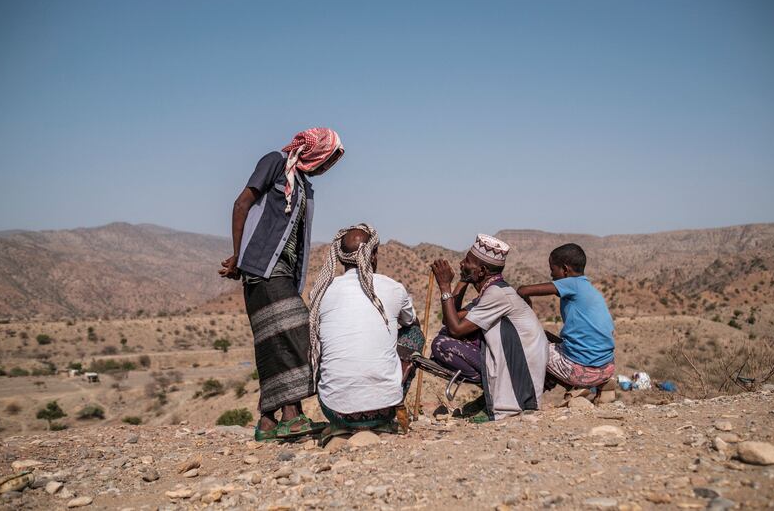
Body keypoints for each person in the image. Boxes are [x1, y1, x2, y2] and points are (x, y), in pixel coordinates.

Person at [219, 128, 344, 441]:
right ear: (313, 151)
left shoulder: (302, 184)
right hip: (262, 267)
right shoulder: (275, 162)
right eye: (326, 160)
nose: (326, 167)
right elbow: (241, 203)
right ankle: (291, 414)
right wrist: (238, 255)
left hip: (282, 271)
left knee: (271, 342)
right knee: (296, 331)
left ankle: (267, 421)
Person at [309, 223, 424, 433]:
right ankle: (391, 399)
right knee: (414, 333)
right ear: (373, 256)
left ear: (341, 257)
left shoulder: (320, 293)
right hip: (383, 410)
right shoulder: (393, 287)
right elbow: (410, 322)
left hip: (335, 412)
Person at [431, 234, 547, 421]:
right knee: (446, 333)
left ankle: (490, 395)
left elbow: (456, 329)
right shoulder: (492, 291)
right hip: (510, 357)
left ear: (482, 270)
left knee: (441, 343)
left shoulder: (496, 294)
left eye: (467, 262)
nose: (461, 263)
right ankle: (488, 394)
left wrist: (445, 286)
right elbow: (450, 319)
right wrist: (463, 279)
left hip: (518, 366)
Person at [516, 243, 616, 404]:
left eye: (552, 269)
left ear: (565, 269)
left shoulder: (572, 283)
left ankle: (575, 388)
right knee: (546, 336)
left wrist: (527, 318)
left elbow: (522, 290)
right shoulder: (589, 288)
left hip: (581, 370)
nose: (551, 274)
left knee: (529, 345)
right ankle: (603, 386)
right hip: (607, 367)